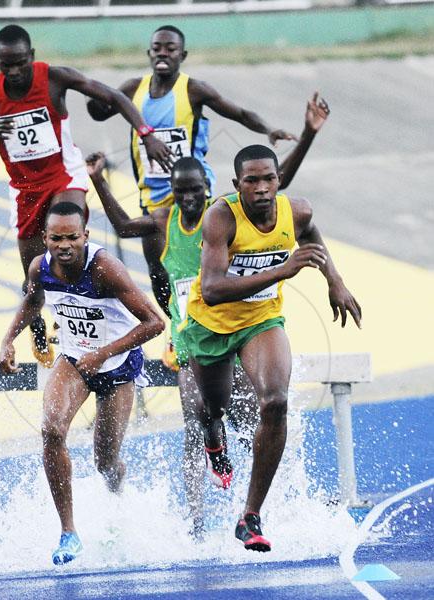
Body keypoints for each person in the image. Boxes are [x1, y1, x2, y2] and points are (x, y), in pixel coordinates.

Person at [84, 93, 329, 538]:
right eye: (182, 193)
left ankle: (257, 508)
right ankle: (197, 516)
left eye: (197, 191)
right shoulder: (166, 222)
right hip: (193, 332)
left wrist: (307, 134)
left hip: (248, 324)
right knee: (199, 418)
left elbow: (275, 184)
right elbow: (123, 227)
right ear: (174, 194)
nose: (190, 200)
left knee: (265, 409)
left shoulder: (229, 213)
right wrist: (98, 179)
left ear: (210, 189)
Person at [180, 144, 361, 552]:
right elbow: (211, 291)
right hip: (211, 326)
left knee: (275, 401)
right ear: (236, 185)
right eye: (251, 181)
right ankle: (214, 436)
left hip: (262, 320)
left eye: (269, 180)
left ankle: (250, 515)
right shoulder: (220, 217)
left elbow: (311, 236)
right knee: (213, 408)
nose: (261, 189)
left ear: (279, 181)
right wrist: (283, 269)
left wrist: (335, 279)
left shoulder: (296, 211)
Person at [0, 24, 171, 367]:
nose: (14, 72)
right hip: (24, 189)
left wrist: (146, 133)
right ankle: (37, 328)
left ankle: (78, 309)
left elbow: (115, 97)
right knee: (35, 272)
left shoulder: (54, 78)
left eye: (20, 63)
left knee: (68, 235)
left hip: (65, 175)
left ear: (31, 57)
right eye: (7, 66)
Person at [87, 24, 297, 315]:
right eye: (157, 48)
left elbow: (238, 113)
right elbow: (99, 111)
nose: (163, 53)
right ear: (149, 53)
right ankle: (178, 327)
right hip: (155, 195)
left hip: (195, 192)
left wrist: (268, 129)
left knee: (202, 266)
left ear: (181, 54)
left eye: (170, 48)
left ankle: (218, 321)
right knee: (159, 272)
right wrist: (93, 95)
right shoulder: (134, 89)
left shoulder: (193, 90)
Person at [0, 201, 164, 564]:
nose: (65, 245)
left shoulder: (105, 268)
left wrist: (104, 353)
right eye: (56, 238)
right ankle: (68, 532)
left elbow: (154, 323)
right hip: (74, 360)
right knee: (51, 429)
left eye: (72, 237)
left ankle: (118, 500)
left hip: (117, 367)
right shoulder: (40, 267)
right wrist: (8, 338)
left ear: (85, 236)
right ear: (45, 239)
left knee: (105, 462)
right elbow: (32, 301)